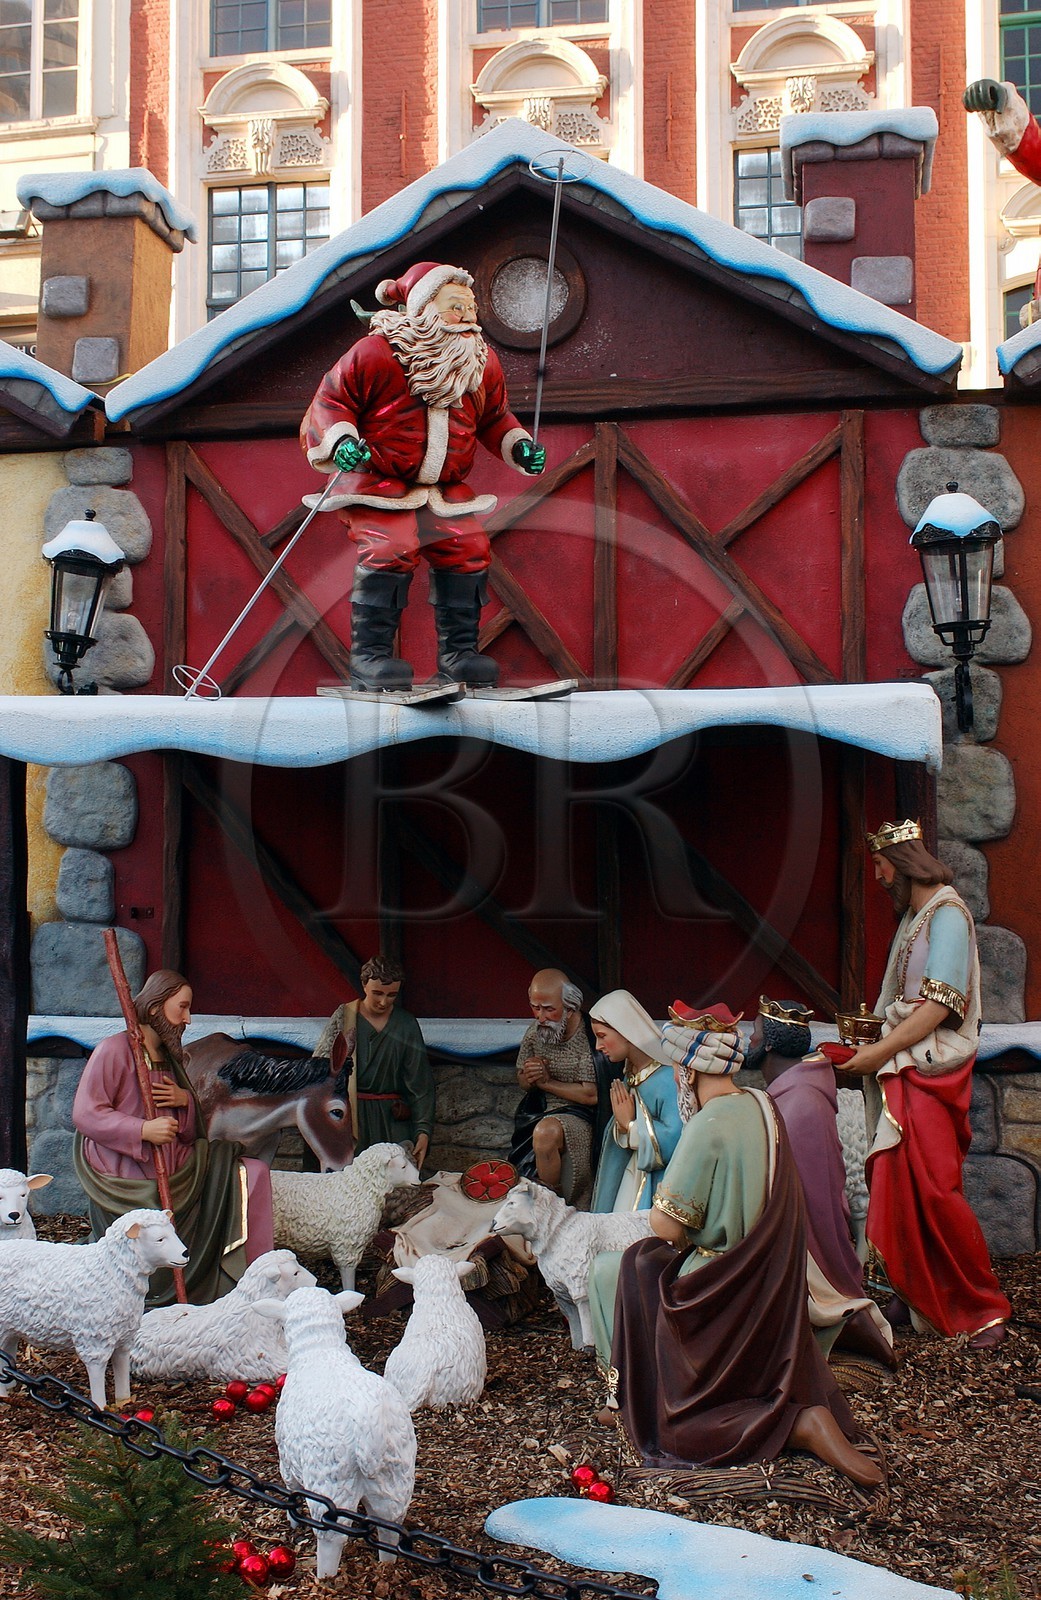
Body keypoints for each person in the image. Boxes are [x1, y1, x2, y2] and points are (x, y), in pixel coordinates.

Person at [589, 1011, 882, 1487]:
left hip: (716, 1286)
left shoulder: (709, 1124)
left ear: (688, 1073)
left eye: (679, 1071)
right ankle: (629, 1399)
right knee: (639, 1262)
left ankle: (630, 1401)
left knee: (621, 1267)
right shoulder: (762, 1104)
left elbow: (666, 1224)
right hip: (770, 1280)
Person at [301, 260, 546, 690]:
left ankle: (459, 655)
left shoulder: (479, 362)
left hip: (445, 490)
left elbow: (494, 418)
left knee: (468, 548)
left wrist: (518, 446)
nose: (466, 317)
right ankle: (370, 657)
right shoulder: (375, 353)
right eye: (455, 307)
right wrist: (340, 442)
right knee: (390, 547)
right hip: (379, 484)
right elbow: (332, 402)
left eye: (470, 308)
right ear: (424, 309)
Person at [836, 819, 1011, 1350]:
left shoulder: (948, 914)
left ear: (905, 862)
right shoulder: (918, 916)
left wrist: (877, 1052)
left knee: (934, 1189)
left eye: (881, 864)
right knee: (899, 1181)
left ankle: (982, 1309)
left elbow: (938, 1007)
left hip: (930, 1071)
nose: (878, 876)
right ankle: (914, 1292)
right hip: (906, 1065)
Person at [72, 970, 274, 1306]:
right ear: (154, 1007)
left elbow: (191, 1131)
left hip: (178, 1165)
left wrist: (185, 1102)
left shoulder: (168, 1056)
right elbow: (86, 1114)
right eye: (182, 1007)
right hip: (131, 1172)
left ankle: (251, 1277)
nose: (187, 1019)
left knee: (254, 1172)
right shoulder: (114, 1050)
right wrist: (141, 1130)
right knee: (245, 1174)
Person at [749, 997, 895, 1368]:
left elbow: (800, 1197)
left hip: (808, 1255)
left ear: (770, 1044)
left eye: (756, 1032)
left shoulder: (799, 1104)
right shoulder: (794, 1094)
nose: (749, 1039)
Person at [313, 955, 435, 1169]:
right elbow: (320, 1069)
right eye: (377, 993)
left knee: (393, 1178)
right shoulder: (345, 1016)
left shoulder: (406, 1024)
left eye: (391, 995)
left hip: (391, 1121)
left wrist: (423, 1131)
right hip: (350, 1117)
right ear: (364, 985)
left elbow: (420, 1083)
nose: (383, 1002)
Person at [507, 969, 599, 1208]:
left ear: (570, 1007)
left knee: (546, 1133)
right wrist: (531, 1074)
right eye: (535, 1008)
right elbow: (523, 1081)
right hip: (538, 1110)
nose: (541, 1017)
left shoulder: (586, 1038)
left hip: (581, 1115)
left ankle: (550, 1201)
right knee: (542, 1130)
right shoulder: (535, 1033)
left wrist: (547, 1082)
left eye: (549, 1009)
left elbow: (590, 1095)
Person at [588, 990, 683, 1213]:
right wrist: (623, 1126)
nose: (598, 1046)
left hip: (656, 1187)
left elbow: (677, 1139)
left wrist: (630, 1126)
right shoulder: (631, 1074)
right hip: (632, 1175)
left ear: (626, 1031)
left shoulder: (667, 1079)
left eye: (602, 1036)